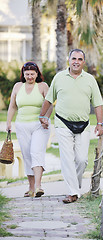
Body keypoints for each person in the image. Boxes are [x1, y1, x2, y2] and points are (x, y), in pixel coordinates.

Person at [39, 49, 103, 203]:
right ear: (69, 60)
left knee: (81, 160)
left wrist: (100, 123)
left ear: (84, 62)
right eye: (73, 58)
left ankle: (74, 186)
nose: (76, 61)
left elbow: (98, 103)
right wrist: (42, 116)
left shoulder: (90, 79)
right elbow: (49, 99)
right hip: (63, 123)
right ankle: (72, 192)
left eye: (79, 59)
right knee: (67, 159)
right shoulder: (59, 77)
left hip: (83, 124)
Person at [6, 62, 53, 198]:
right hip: (22, 125)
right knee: (27, 155)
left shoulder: (43, 86)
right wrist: (9, 122)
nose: (30, 77)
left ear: (37, 74)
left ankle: (38, 186)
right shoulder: (17, 86)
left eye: (32, 74)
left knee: (36, 152)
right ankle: (31, 187)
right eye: (27, 74)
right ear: (23, 74)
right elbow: (12, 106)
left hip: (40, 125)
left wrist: (45, 118)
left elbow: (49, 105)